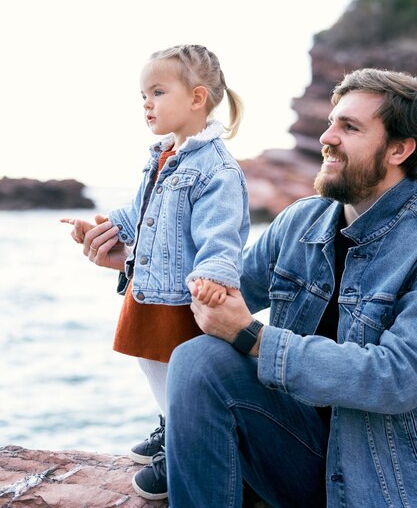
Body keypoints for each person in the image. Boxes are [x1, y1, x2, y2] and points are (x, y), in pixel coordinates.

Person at [165, 68, 417, 508]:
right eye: (331, 122)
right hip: (299, 457)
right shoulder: (302, 221)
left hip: (379, 482)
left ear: (398, 149)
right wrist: (138, 260)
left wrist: (254, 337)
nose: (329, 138)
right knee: (200, 358)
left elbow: (396, 378)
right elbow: (222, 286)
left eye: (350, 127)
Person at [61, 44, 250, 500]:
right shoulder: (164, 154)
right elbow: (141, 210)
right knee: (152, 363)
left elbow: (222, 234)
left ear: (197, 98)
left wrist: (214, 276)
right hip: (149, 288)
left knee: (176, 371)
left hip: (182, 295)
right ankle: (170, 426)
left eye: (157, 91)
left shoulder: (216, 169)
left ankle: (185, 445)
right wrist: (107, 228)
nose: (146, 103)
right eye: (142, 94)